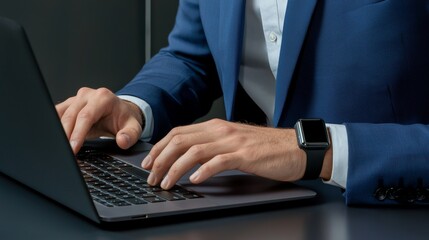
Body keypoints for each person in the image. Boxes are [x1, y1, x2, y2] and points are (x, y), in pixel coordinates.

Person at [56, 0, 429, 206]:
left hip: (388, 209)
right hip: (257, 211)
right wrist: (133, 106)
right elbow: (193, 55)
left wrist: (310, 150)